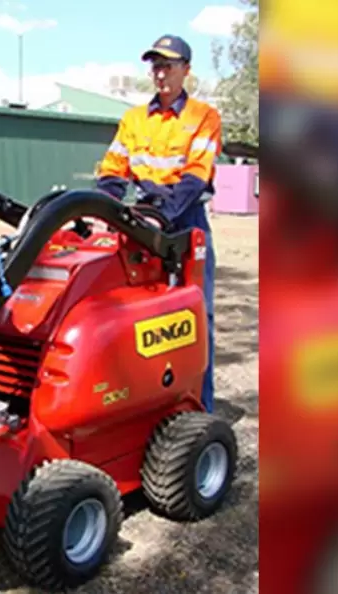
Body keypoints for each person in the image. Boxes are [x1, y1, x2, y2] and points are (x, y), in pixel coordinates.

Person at [95, 34, 222, 414]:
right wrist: (106, 210)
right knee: (142, 314)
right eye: (156, 66)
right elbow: (113, 171)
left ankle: (200, 407)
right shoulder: (133, 120)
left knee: (197, 313)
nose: (160, 73)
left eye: (168, 65)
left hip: (186, 219)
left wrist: (162, 215)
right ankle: (149, 403)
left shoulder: (204, 117)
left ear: (186, 70)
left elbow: (196, 176)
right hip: (142, 220)